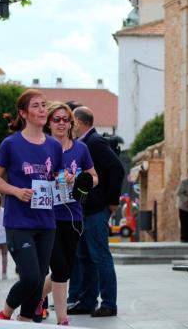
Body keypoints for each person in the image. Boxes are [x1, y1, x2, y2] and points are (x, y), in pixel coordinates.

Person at [0, 89, 68, 321]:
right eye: (36, 106)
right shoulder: (10, 144)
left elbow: (56, 177)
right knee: (31, 277)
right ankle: (4, 314)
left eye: (44, 105)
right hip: (19, 221)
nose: (43, 110)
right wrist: (15, 191)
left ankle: (24, 322)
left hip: (46, 221)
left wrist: (65, 179)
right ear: (23, 113)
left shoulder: (53, 145)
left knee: (41, 274)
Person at [38, 102, 98, 325]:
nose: (61, 123)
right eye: (57, 119)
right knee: (59, 267)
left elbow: (94, 177)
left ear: (71, 123)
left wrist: (80, 179)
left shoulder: (80, 149)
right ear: (49, 123)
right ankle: (62, 318)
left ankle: (36, 298)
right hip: (46, 215)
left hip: (73, 215)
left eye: (66, 119)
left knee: (66, 269)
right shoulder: (41, 146)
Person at [67, 106, 124, 318]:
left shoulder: (95, 142)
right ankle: (87, 301)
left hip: (96, 209)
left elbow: (117, 169)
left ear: (79, 122)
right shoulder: (83, 144)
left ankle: (109, 303)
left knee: (100, 257)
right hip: (84, 210)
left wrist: (112, 202)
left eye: (71, 122)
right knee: (84, 257)